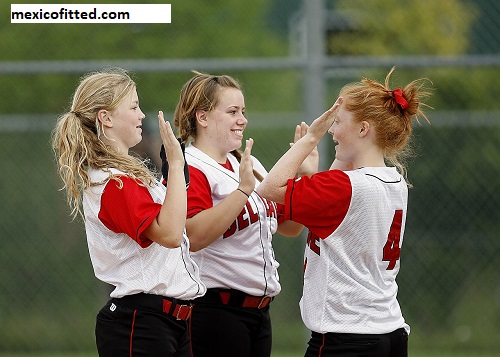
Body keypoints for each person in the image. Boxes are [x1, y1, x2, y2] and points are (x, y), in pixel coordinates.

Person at [256, 67, 431, 357]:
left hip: (347, 339)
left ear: (363, 129)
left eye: (336, 122)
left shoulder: (344, 187)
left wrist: (309, 138)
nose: (332, 131)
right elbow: (339, 202)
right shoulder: (395, 181)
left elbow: (269, 189)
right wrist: (315, 172)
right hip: (390, 332)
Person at [51, 68, 206, 356]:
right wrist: (173, 166)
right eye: (134, 106)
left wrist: (174, 178)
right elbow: (170, 235)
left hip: (166, 322)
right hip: (142, 323)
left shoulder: (125, 176)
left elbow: (171, 225)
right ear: (106, 117)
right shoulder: (115, 182)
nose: (141, 115)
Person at [166, 71, 314, 357]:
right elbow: (192, 235)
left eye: (243, 111)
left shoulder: (248, 163)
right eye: (232, 111)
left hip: (259, 313)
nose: (242, 120)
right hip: (215, 312)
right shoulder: (190, 167)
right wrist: (243, 191)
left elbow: (289, 226)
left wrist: (305, 177)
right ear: (203, 117)